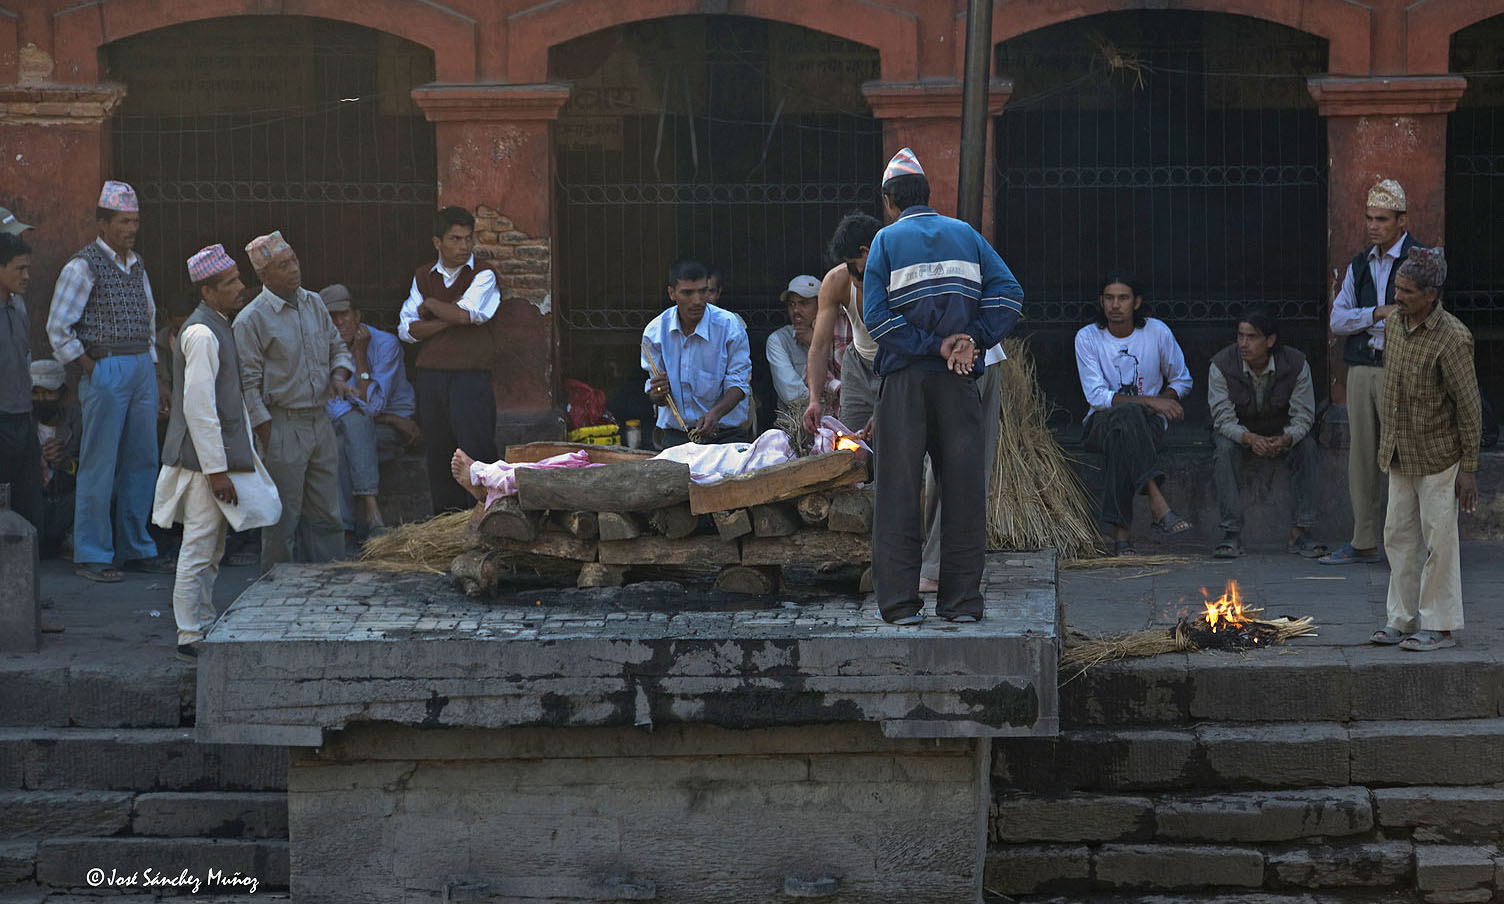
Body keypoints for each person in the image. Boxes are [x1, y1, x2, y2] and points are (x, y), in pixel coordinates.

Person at [862, 147, 1023, 625]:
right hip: (958, 384)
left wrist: (934, 345)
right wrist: (971, 342)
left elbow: (876, 320)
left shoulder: (885, 241)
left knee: (897, 493)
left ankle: (899, 606)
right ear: (927, 197)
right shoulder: (967, 235)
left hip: (906, 385)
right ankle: (961, 604)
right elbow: (1010, 294)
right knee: (964, 494)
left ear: (889, 200)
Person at [153, 245, 281, 660]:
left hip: (211, 462)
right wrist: (216, 471)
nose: (241, 288)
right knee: (199, 544)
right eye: (231, 283)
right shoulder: (203, 333)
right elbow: (199, 409)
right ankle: (190, 631)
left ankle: (202, 621)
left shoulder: (217, 326)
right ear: (207, 292)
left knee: (213, 546)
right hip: (202, 464)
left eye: (238, 279)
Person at [45, 181, 172, 582]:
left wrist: (154, 372)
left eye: (134, 221)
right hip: (106, 367)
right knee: (99, 464)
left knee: (142, 460)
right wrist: (90, 368)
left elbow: (149, 321)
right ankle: (93, 553)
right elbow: (58, 328)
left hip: (140, 367)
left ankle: (135, 547)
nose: (131, 229)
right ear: (102, 223)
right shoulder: (82, 265)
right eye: (122, 222)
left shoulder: (138, 264)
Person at [1370, 247, 1482, 652]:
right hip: (1400, 451)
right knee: (1397, 537)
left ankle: (1439, 625)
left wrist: (1468, 467)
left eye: (1407, 291)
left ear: (1432, 294)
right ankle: (1400, 619)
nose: (1398, 297)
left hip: (1438, 454)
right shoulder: (1396, 324)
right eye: (1397, 288)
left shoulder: (1452, 338)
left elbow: (1469, 407)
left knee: (1439, 540)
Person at [234, 230, 355, 567]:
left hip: (319, 418)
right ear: (264, 276)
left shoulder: (314, 302)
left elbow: (337, 346)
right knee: (282, 517)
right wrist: (266, 432)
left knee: (328, 513)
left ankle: (328, 580)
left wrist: (339, 375)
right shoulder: (251, 320)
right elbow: (248, 384)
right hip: (281, 422)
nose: (294, 269)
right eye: (284, 265)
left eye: (294, 260)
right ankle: (274, 589)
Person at [1323, 179, 1422, 566]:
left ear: (1401, 220)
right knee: (1361, 457)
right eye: (1368, 218)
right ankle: (1364, 540)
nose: (1372, 226)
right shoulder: (1360, 263)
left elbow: (1422, 316)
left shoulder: (1419, 259)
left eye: (1381, 219)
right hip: (1364, 368)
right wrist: (1376, 315)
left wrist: (1366, 320)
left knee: (1406, 455)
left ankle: (1407, 543)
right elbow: (1338, 320)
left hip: (1403, 368)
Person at [1075, 274, 1194, 555]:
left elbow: (1182, 380)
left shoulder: (1157, 332)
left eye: (1123, 298)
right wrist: (1152, 402)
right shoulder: (1088, 337)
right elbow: (1097, 397)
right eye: (1109, 298)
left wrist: (1162, 401)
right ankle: (1156, 501)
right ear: (1101, 302)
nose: (1115, 305)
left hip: (1144, 426)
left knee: (1124, 438)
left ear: (1137, 302)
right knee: (1126, 417)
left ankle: (1122, 538)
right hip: (1099, 423)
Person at [399, 206, 501, 515]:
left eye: (468, 239)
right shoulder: (423, 275)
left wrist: (432, 305)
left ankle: (486, 519)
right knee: (440, 451)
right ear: (437, 242)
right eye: (455, 239)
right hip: (431, 378)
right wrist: (453, 319)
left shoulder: (483, 274)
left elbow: (467, 313)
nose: (464, 247)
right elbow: (408, 329)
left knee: (476, 450)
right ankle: (445, 523)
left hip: (470, 377)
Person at [1206, 306, 1323, 559]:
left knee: (1308, 447)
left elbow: (1304, 415)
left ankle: (1302, 530)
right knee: (1224, 450)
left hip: (1281, 431)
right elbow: (1222, 418)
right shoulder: (1221, 364)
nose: (1243, 344)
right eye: (1240, 336)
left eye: (1252, 337)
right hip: (1238, 433)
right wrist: (1249, 438)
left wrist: (1287, 438)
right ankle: (1231, 533)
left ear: (1270, 340)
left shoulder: (1296, 363)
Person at [321, 283, 419, 539]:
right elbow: (340, 409)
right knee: (346, 434)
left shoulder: (386, 345)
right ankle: (371, 513)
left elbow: (372, 406)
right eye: (331, 317)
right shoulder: (323, 349)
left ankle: (345, 527)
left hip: (385, 433)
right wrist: (391, 418)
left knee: (346, 437)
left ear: (357, 316)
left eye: (344, 314)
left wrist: (361, 357)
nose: (338, 322)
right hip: (358, 424)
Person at [641, 258, 753, 448]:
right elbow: (657, 395)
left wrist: (715, 414)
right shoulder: (655, 333)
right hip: (676, 436)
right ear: (672, 293)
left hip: (725, 435)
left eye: (702, 291)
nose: (697, 301)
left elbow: (739, 384)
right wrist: (657, 393)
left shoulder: (729, 326)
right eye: (687, 292)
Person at [803, 213, 880, 438]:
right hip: (857, 366)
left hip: (896, 365)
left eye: (854, 263)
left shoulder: (900, 277)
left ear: (866, 252)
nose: (853, 270)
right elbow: (819, 346)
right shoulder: (837, 281)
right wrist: (815, 400)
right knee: (853, 442)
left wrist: (887, 407)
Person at [0, 232, 42, 533]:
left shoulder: (19, 308)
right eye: (19, 269)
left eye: (28, 268)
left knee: (27, 508)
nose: (26, 276)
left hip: (21, 420)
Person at [30, 359, 81, 557]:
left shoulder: (79, 421)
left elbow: (93, 469)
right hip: (33, 502)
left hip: (67, 501)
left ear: (62, 394)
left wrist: (67, 464)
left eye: (48, 392)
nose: (41, 398)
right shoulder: (20, 425)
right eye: (35, 392)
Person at [766, 275, 839, 412]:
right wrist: (826, 401)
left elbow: (848, 385)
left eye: (804, 304)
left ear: (821, 305)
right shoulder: (779, 340)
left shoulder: (838, 334)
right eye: (791, 304)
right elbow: (792, 395)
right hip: (796, 422)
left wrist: (815, 343)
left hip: (837, 418)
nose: (796, 311)